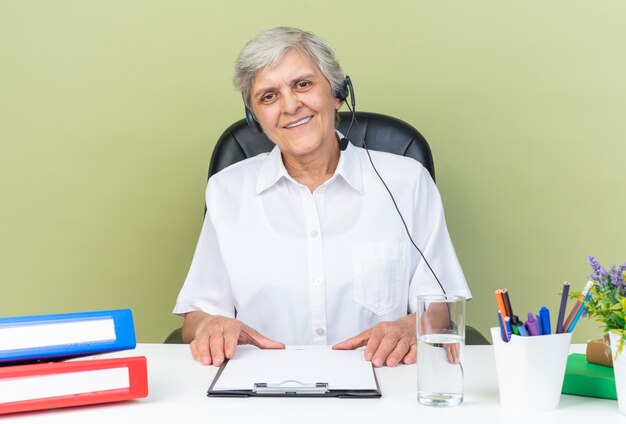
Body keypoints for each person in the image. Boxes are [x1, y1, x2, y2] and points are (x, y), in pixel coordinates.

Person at [173, 27, 471, 368]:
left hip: (384, 383)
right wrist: (211, 326)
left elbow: (440, 305)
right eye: (268, 96)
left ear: (337, 93)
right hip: (262, 388)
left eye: (303, 84)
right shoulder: (227, 190)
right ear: (254, 118)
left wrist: (412, 325)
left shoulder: (407, 182)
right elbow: (198, 314)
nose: (290, 105)